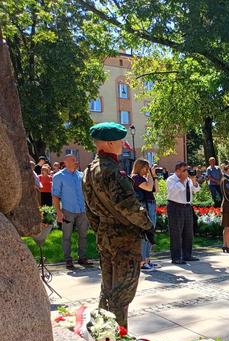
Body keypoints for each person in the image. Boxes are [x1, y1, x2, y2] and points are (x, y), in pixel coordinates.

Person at [82, 122, 154, 329]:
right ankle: (119, 340)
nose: (123, 143)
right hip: (123, 238)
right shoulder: (112, 171)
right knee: (123, 291)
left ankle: (103, 332)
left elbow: (90, 209)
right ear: (110, 143)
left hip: (105, 234)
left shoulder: (89, 170)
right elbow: (130, 207)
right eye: (120, 140)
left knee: (108, 287)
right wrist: (147, 226)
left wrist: (101, 229)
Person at [52, 154, 91, 270]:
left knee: (83, 235)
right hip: (68, 211)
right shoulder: (58, 176)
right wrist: (58, 212)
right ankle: (68, 260)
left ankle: (82, 258)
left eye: (75, 159)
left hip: (82, 210)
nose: (76, 161)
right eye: (73, 160)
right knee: (67, 236)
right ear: (65, 162)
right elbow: (55, 196)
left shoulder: (81, 176)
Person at [166, 162, 200, 264]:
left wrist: (193, 180)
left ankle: (187, 255)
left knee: (188, 232)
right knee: (176, 233)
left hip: (187, 207)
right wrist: (182, 180)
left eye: (187, 170)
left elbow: (196, 190)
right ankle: (176, 257)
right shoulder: (171, 180)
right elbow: (173, 192)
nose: (186, 172)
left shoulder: (188, 179)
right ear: (177, 171)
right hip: (175, 207)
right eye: (184, 170)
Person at [131, 158, 159, 271]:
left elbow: (155, 190)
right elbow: (148, 187)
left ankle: (147, 259)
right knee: (144, 234)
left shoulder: (144, 178)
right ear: (139, 167)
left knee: (150, 233)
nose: (147, 170)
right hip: (145, 206)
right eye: (145, 168)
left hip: (151, 204)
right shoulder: (135, 177)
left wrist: (154, 176)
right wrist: (151, 176)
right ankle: (142, 262)